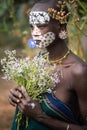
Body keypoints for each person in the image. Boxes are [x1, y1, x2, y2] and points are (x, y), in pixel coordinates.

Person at [8, 0, 87, 130]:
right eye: (32, 27)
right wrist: (17, 96)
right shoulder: (38, 61)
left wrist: (41, 117)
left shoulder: (78, 72)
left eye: (41, 26)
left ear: (61, 27)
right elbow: (29, 103)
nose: (35, 33)